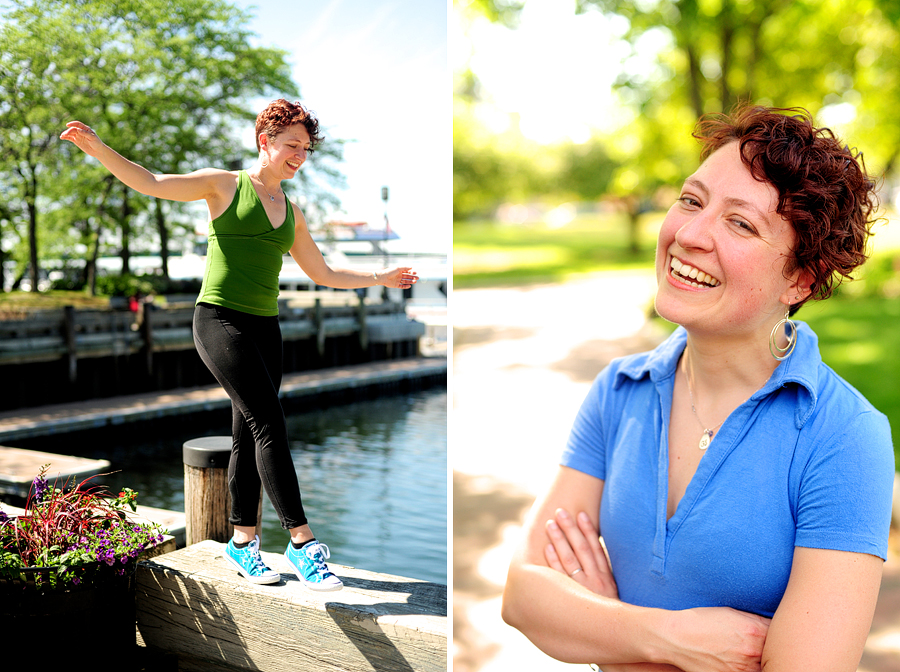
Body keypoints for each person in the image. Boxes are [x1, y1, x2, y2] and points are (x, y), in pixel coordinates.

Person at [501, 105, 895, 671]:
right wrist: (664, 638)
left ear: (799, 278)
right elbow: (522, 596)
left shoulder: (844, 437)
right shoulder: (619, 391)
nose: (688, 234)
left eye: (740, 223)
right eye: (691, 200)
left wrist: (602, 632)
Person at [61, 99, 418, 592]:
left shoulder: (292, 211)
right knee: (270, 422)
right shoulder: (224, 185)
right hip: (219, 321)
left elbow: (324, 273)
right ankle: (303, 542)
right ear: (264, 141)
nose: (299, 154)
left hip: (265, 329)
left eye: (306, 148)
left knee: (249, 435)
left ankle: (243, 543)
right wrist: (99, 149)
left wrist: (382, 276)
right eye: (292, 144)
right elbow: (153, 182)